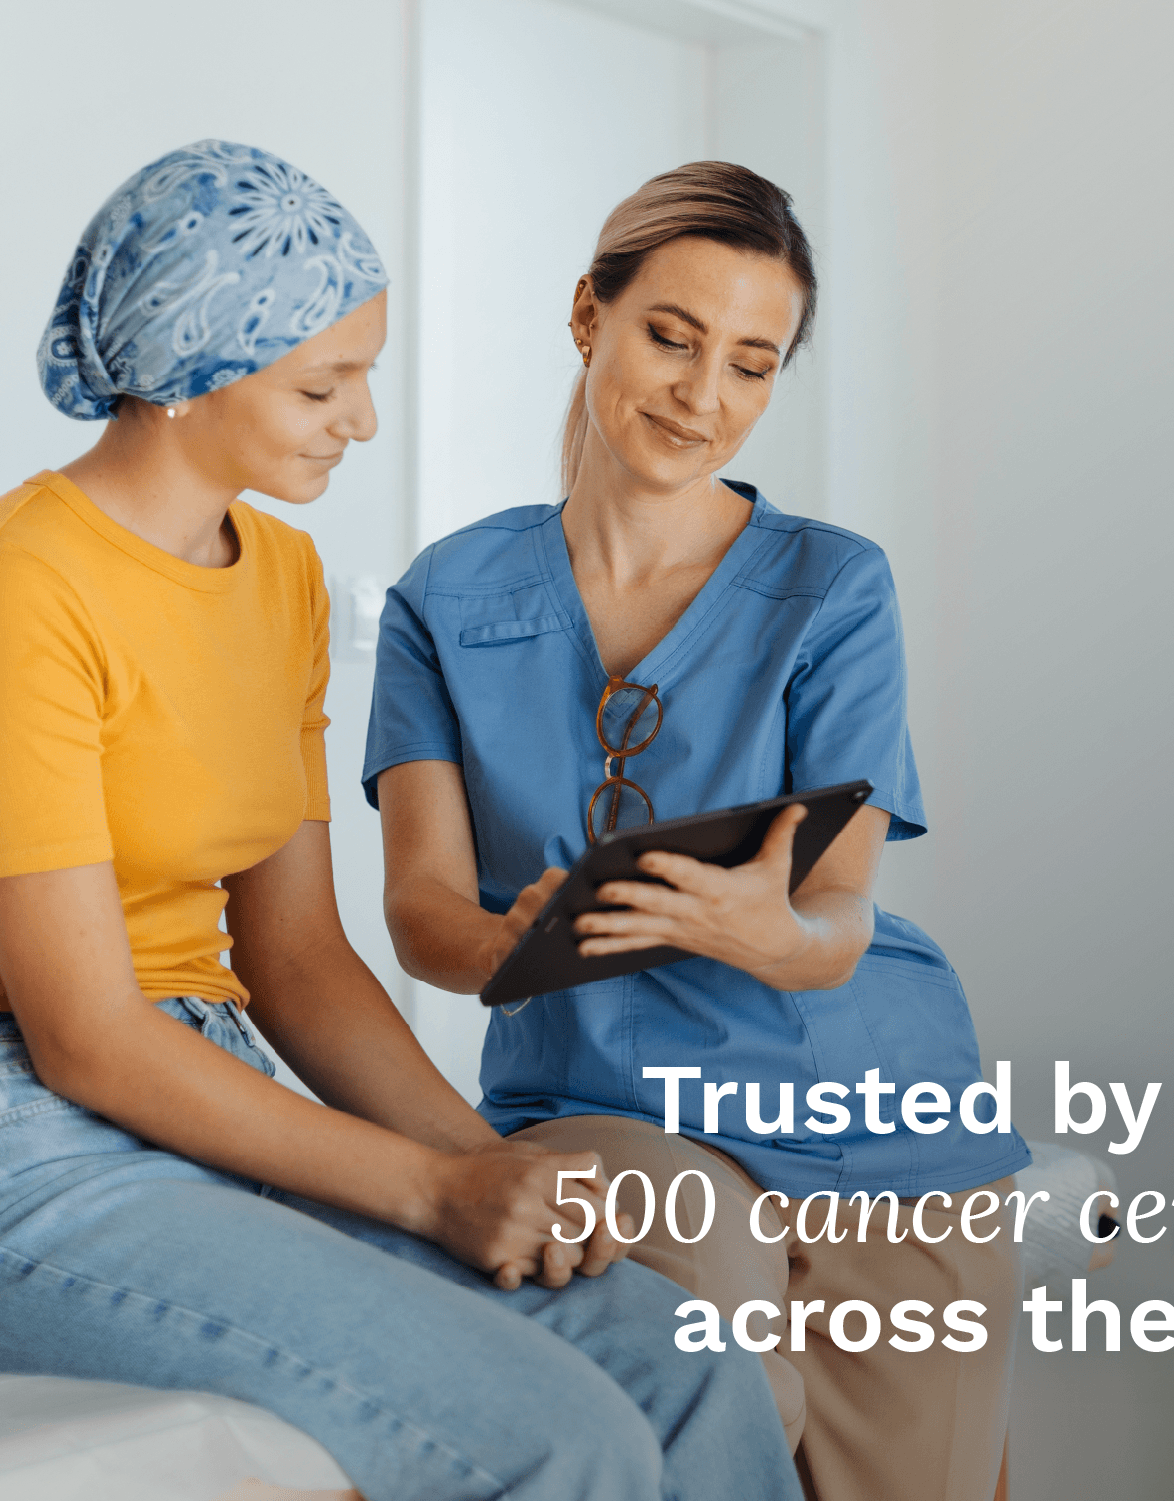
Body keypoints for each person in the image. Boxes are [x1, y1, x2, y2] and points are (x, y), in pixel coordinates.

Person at [0, 141, 802, 1501]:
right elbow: (87, 1039)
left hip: (216, 1089)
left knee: (689, 1362)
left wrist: (488, 1169)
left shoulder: (284, 582)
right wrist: (427, 1194)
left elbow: (299, 960)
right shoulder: (31, 589)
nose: (360, 421)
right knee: (566, 1435)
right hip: (42, 1136)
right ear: (187, 375)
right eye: (324, 384)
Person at [368, 162, 1031, 1501]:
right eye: (670, 337)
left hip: (881, 1111)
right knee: (710, 1398)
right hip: (606, 1100)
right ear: (587, 316)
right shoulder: (446, 596)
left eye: (751, 363)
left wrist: (765, 931)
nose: (701, 395)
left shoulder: (832, 586)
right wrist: (515, 940)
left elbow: (840, 918)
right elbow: (419, 911)